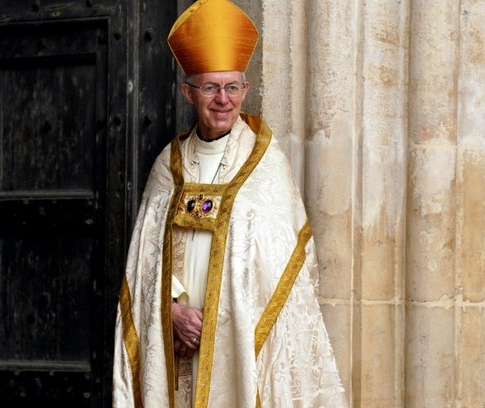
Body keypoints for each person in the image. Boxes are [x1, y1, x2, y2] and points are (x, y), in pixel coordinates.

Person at [112, 0, 348, 406]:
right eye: (210, 87)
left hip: (238, 340)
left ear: (246, 90)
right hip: (177, 342)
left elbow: (284, 269)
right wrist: (171, 310)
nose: (223, 99)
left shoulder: (264, 164)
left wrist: (225, 318)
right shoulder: (168, 168)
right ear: (189, 92)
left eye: (232, 87)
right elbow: (150, 259)